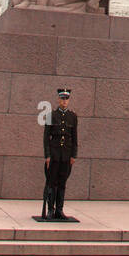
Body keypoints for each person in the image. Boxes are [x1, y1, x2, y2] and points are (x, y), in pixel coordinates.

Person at [37, 88, 79, 223]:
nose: (64, 101)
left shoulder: (73, 116)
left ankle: (59, 210)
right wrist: (47, 155)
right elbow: (46, 138)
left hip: (66, 155)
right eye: (62, 99)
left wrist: (74, 155)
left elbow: (74, 138)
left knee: (62, 183)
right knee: (51, 183)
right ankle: (50, 209)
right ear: (58, 99)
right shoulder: (51, 115)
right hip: (54, 155)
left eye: (66, 99)